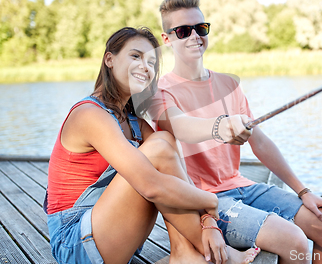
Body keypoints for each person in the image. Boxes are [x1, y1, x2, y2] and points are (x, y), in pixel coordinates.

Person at [148, 0, 322, 264]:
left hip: (241, 186)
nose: (194, 36)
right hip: (205, 201)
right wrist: (221, 126)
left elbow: (260, 142)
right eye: (183, 31)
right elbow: (181, 126)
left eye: (201, 28)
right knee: (294, 240)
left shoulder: (229, 85)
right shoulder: (160, 91)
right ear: (167, 39)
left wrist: (303, 191)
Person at [44, 27, 261, 264]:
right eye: (135, 56)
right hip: (75, 243)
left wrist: (209, 220)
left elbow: (176, 175)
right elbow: (151, 187)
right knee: (157, 150)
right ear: (109, 59)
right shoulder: (89, 114)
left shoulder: (135, 123)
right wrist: (211, 202)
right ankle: (214, 254)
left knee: (164, 141)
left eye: (151, 62)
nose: (145, 67)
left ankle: (183, 253)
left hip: (110, 233)